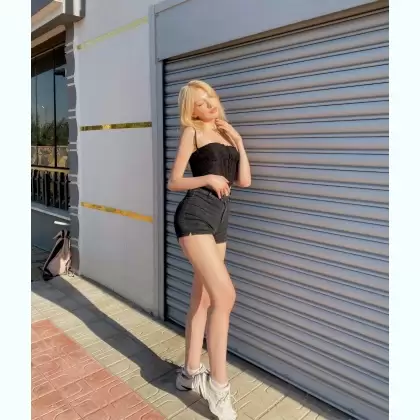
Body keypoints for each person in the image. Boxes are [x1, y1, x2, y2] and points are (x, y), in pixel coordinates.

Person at [167, 80, 251, 420]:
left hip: (220, 221)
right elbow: (174, 181)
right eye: (201, 102)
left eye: (211, 97)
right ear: (192, 109)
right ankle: (218, 386)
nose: (209, 105)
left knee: (202, 299)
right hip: (195, 216)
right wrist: (207, 179)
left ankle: (189, 373)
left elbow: (244, 181)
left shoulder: (226, 133)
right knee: (225, 296)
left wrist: (239, 142)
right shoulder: (193, 132)